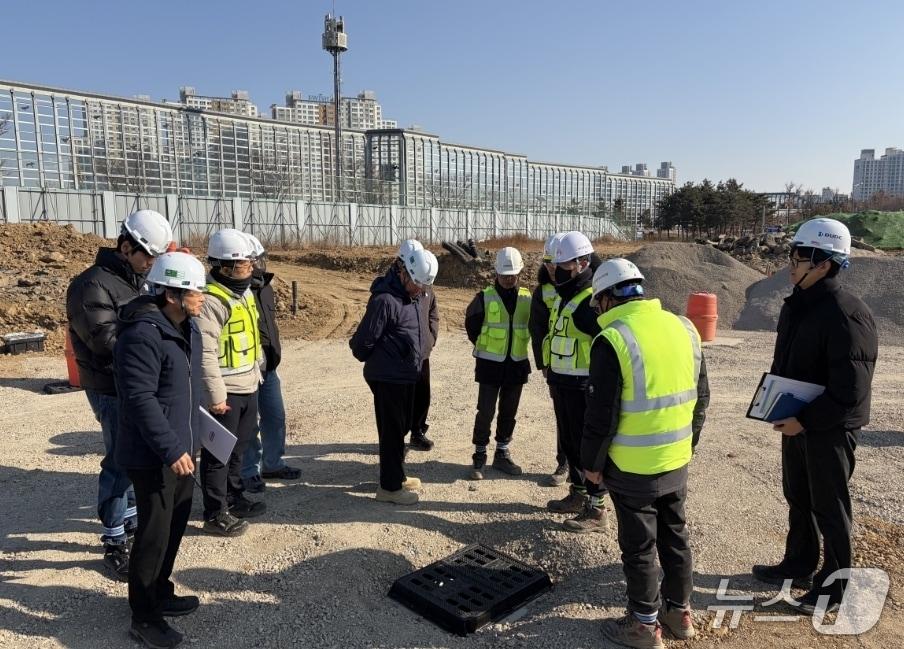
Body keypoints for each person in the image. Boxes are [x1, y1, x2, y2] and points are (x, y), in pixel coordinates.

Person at [752, 218, 878, 615]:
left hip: (829, 427)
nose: (789, 264)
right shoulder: (798, 305)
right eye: (791, 254)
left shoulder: (846, 315)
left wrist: (805, 420)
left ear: (824, 263)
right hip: (798, 420)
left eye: (799, 257)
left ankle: (834, 589)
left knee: (830, 506)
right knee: (799, 496)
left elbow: (850, 390)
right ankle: (800, 563)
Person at [582, 259, 709, 649]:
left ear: (605, 299)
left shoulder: (613, 340)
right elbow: (701, 398)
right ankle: (680, 613)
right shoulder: (684, 328)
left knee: (639, 547)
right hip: (675, 459)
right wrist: (687, 444)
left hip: (633, 465)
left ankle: (643, 625)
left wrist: (591, 467)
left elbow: (600, 416)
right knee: (675, 535)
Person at [66, 209, 172, 579]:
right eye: (149, 256)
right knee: (118, 461)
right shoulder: (91, 285)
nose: (152, 264)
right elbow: (104, 342)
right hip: (111, 388)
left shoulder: (134, 281)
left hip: (135, 383)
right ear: (126, 247)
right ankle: (114, 542)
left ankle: (127, 522)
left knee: (131, 458)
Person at [114, 252, 205, 649]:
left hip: (180, 450)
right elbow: (140, 399)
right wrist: (170, 448)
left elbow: (186, 392)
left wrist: (195, 441)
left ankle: (159, 592)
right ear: (171, 294)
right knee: (152, 535)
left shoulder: (186, 327)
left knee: (175, 524)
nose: (201, 296)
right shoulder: (143, 334)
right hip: (153, 454)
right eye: (194, 290)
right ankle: (144, 616)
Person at [350, 247, 438, 505]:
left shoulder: (413, 296)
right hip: (389, 377)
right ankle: (389, 488)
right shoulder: (385, 300)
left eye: (424, 285)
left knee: (400, 429)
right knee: (390, 433)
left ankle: (396, 476)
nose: (420, 290)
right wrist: (386, 359)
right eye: (417, 283)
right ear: (403, 273)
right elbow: (362, 342)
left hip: (407, 374)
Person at [197, 229, 266, 537]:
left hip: (248, 384)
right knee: (217, 455)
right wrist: (215, 395)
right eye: (243, 264)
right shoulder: (211, 301)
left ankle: (234, 496)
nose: (250, 268)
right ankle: (214, 512)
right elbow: (205, 355)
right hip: (225, 392)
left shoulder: (244, 293)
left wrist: (259, 372)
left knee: (239, 448)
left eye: (250, 263)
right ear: (223, 267)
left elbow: (253, 338)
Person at [543, 231, 607, 532]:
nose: (556, 271)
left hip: (583, 386)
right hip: (562, 382)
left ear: (581, 264)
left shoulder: (589, 302)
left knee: (587, 449)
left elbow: (606, 348)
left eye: (563, 266)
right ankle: (578, 494)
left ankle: (596, 510)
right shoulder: (565, 296)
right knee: (570, 444)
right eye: (554, 266)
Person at [240, 234, 302, 494]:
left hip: (269, 366)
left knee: (275, 417)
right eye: (255, 260)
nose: (260, 264)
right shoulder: (235, 292)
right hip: (246, 367)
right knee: (248, 424)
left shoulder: (265, 287)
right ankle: (249, 471)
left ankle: (273, 463)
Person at [464, 247, 531, 480]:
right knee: (486, 411)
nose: (508, 279)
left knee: (508, 412)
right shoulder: (484, 297)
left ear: (519, 273)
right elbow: (471, 325)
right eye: (504, 275)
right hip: (490, 365)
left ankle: (501, 452)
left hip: (517, 365)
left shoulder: (527, 298)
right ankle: (479, 454)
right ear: (496, 273)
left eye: (512, 275)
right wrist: (486, 344)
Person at [379, 240, 439, 452]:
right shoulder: (393, 286)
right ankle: (398, 438)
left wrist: (430, 338)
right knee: (401, 398)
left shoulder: (425, 283)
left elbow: (432, 312)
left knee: (422, 393)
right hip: (401, 355)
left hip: (421, 352)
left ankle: (418, 431)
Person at [529, 232, 568, 486]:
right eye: (548, 264)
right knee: (563, 416)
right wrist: (543, 364)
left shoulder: (587, 287)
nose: (552, 269)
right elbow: (537, 329)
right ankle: (563, 463)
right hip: (556, 366)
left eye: (556, 263)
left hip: (584, 365)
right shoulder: (542, 292)